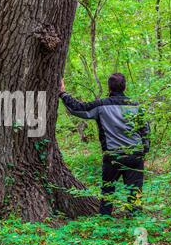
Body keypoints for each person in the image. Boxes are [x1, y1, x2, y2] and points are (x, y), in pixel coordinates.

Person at [59, 73, 150, 216]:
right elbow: (145, 131)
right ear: (124, 86)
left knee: (108, 191)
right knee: (135, 191)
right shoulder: (136, 106)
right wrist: (144, 151)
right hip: (135, 155)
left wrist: (62, 93)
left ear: (109, 87)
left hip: (112, 156)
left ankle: (105, 219)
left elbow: (78, 108)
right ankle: (135, 220)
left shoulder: (101, 105)